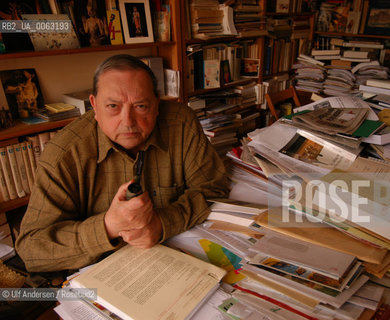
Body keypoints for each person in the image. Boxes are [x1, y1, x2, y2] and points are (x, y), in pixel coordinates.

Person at [15, 54, 230, 272]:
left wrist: (162, 223)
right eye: (112, 106)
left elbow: (213, 187)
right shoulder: (64, 154)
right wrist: (108, 227)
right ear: (94, 106)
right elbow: (31, 249)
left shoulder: (181, 123)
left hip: (177, 261)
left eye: (141, 106)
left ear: (156, 104)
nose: (127, 122)